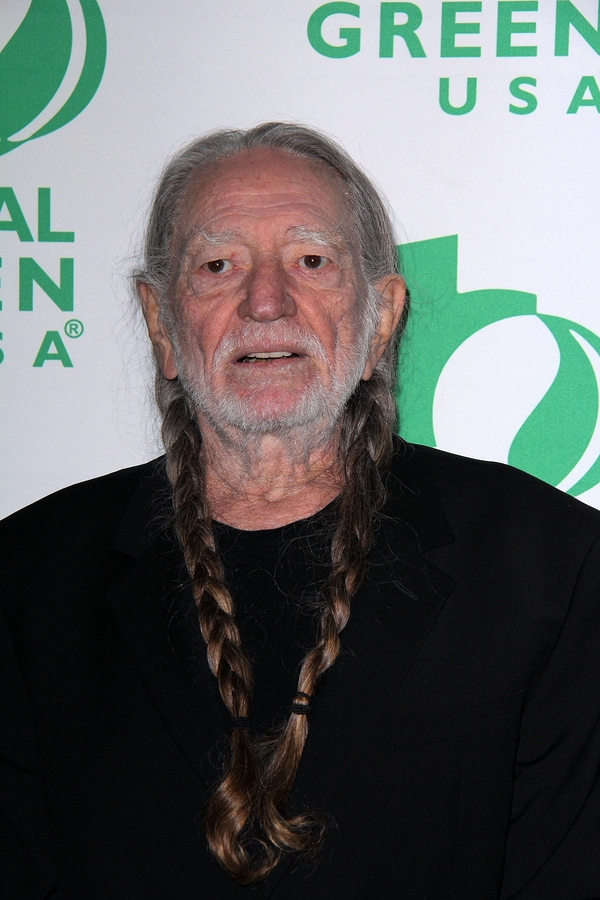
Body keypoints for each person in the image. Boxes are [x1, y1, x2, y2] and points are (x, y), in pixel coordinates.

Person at [2, 123, 600, 900]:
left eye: (312, 261)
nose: (265, 301)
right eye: (217, 265)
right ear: (160, 323)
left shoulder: (549, 567)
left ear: (380, 317)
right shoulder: (27, 581)